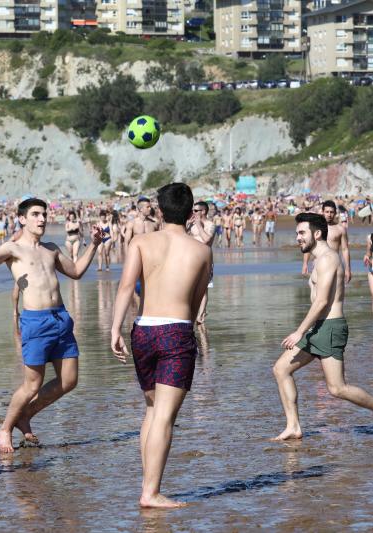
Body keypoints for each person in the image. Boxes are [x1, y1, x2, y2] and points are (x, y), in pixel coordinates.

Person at [110, 183, 212, 508]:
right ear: (191, 210)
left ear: (158, 208)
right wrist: (187, 329)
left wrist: (114, 329)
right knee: (165, 417)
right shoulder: (201, 251)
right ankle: (150, 492)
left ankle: (148, 483)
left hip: (143, 331)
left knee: (153, 410)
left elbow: (127, 287)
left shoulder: (141, 242)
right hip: (176, 331)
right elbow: (197, 301)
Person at [0, 198, 103, 453]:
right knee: (32, 384)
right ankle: (5, 428)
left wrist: (95, 245)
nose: (42, 219)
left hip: (61, 318)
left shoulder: (51, 249)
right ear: (22, 219)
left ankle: (26, 415)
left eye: (44, 214)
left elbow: (76, 271)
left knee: (69, 380)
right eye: (35, 214)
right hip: (35, 322)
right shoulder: (13, 248)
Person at [272, 213, 373, 441]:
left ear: (317, 234)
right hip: (318, 328)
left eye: (302, 233)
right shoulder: (317, 259)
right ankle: (293, 426)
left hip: (330, 328)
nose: (297, 238)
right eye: (297, 233)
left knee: (337, 388)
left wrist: (299, 331)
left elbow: (321, 302)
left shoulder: (328, 259)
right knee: (281, 369)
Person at [301, 201, 352, 284]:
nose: (329, 214)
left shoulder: (340, 229)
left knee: (336, 295)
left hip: (335, 264)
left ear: (335, 213)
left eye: (331, 212)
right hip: (318, 265)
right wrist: (305, 263)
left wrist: (347, 269)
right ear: (322, 212)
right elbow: (309, 246)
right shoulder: (315, 228)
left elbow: (345, 249)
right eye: (327, 212)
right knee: (317, 295)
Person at [186, 201, 216, 325]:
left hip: (205, 260)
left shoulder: (210, 224)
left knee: (204, 289)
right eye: (193, 210)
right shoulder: (191, 224)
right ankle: (191, 311)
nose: (193, 213)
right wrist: (187, 227)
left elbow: (207, 240)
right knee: (190, 287)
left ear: (203, 211)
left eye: (196, 211)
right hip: (191, 259)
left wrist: (199, 225)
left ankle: (201, 314)